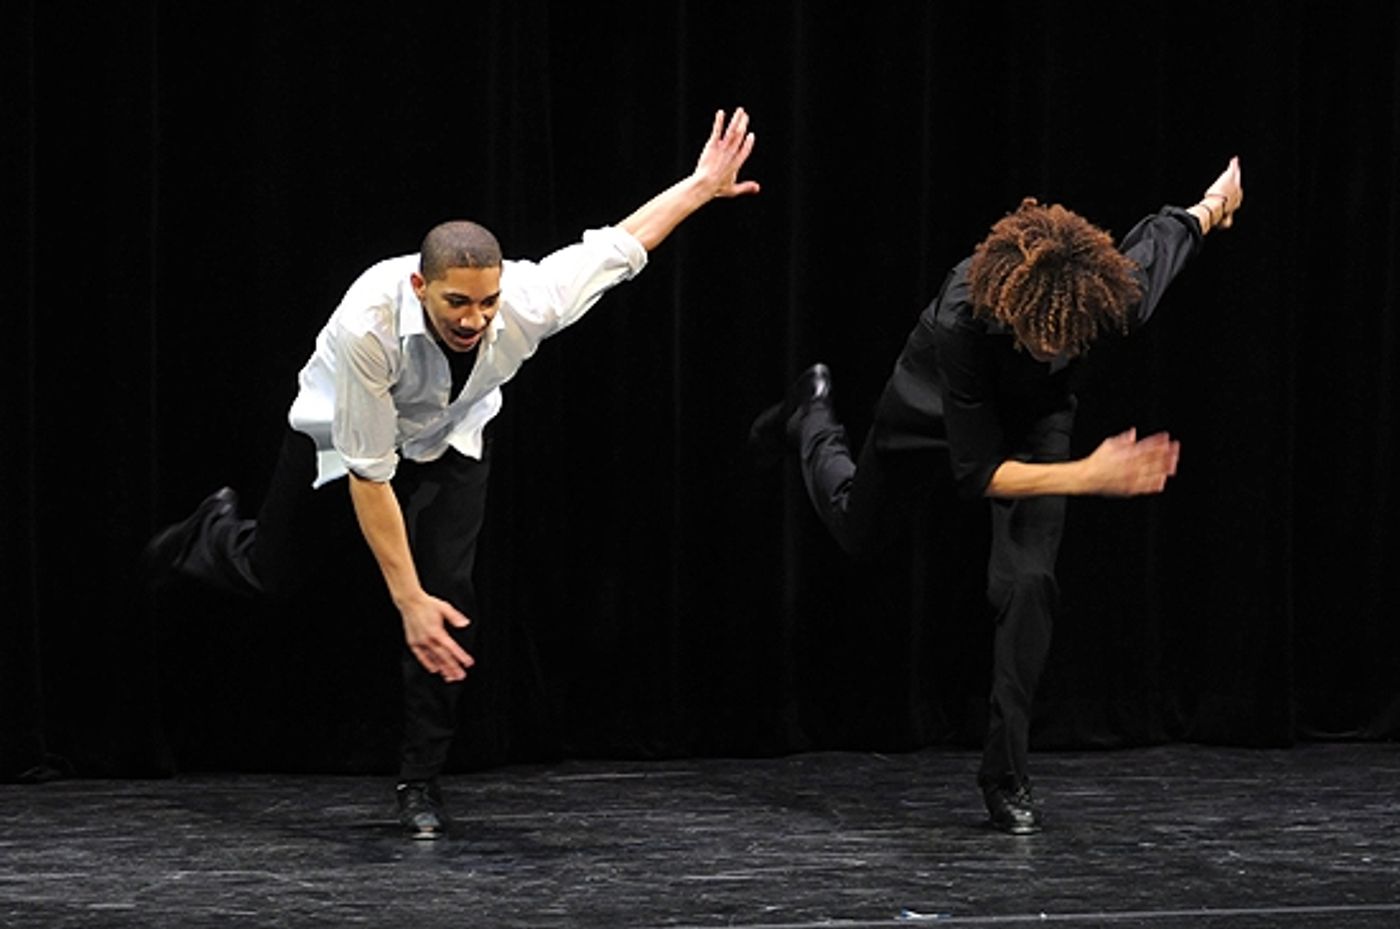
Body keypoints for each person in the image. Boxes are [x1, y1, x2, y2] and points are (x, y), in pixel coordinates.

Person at [148, 108, 760, 839]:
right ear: (419, 286)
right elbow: (369, 477)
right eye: (458, 302)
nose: (476, 319)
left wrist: (699, 185)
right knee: (276, 574)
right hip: (336, 440)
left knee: (449, 606)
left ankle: (420, 779)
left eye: (488, 301)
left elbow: (621, 245)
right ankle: (211, 532)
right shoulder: (366, 327)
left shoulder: (524, 303)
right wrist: (404, 599)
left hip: (448, 442)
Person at [751, 158, 1243, 834]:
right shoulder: (963, 313)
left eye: (1065, 344)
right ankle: (811, 417)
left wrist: (1215, 202)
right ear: (1015, 311)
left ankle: (1005, 772)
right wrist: (1092, 475)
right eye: (1041, 340)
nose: (1051, 352)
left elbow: (1166, 238)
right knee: (855, 529)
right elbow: (976, 472)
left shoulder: (1104, 297)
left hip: (1038, 422)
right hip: (930, 412)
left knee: (1029, 583)